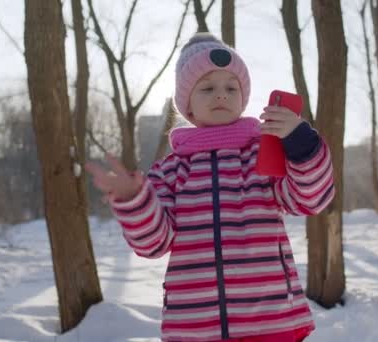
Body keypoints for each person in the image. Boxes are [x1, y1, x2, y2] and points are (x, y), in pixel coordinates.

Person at [85, 33, 335, 342]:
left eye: (231, 88)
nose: (221, 95)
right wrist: (134, 200)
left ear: (243, 99)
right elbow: (154, 242)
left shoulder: (262, 154)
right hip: (195, 326)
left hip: (270, 320)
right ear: (187, 105)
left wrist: (301, 144)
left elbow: (309, 198)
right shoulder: (171, 171)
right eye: (207, 88)